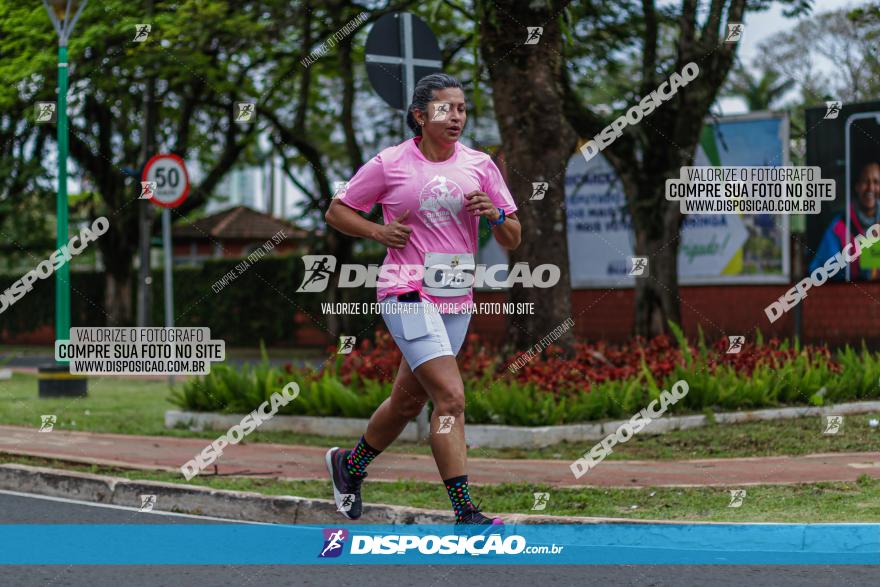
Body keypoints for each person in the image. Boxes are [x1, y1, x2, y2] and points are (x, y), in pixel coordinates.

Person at [323, 73, 521, 525]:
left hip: (455, 296)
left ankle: (348, 468)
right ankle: (465, 512)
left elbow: (514, 235)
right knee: (450, 397)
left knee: (407, 402)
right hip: (406, 290)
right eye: (445, 108)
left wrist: (493, 215)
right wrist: (377, 230)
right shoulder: (390, 163)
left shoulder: (480, 165)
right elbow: (337, 210)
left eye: (463, 108)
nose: (457, 117)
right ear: (419, 115)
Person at [809, 161, 880, 280]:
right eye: (865, 182)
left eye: (876, 182)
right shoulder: (839, 226)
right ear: (857, 187)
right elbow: (819, 272)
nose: (870, 188)